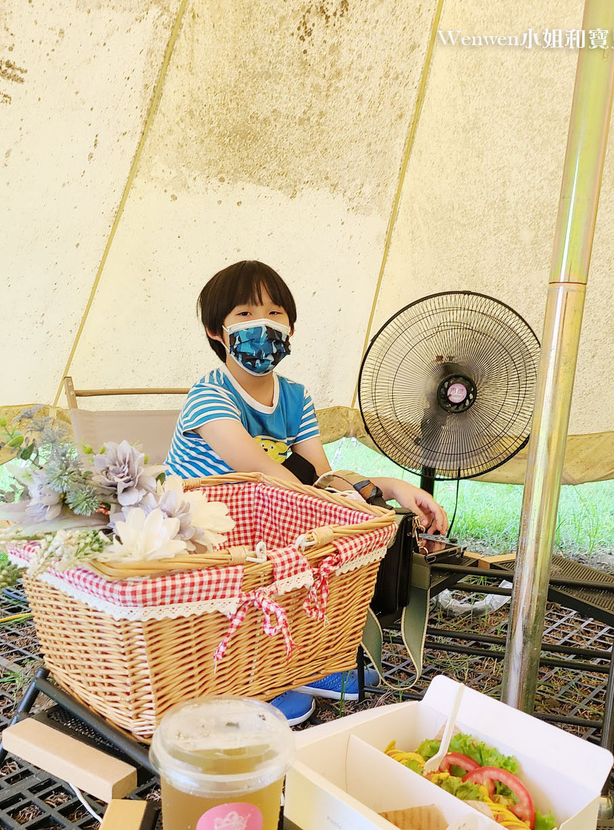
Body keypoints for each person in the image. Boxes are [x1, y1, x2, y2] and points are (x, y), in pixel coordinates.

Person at [166, 260, 449, 724]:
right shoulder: (209, 395)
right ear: (217, 331)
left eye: (275, 313)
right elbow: (264, 474)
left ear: (291, 325)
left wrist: (393, 488)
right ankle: (243, 680)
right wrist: (349, 500)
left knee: (314, 539)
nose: (263, 324)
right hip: (201, 541)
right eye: (244, 314)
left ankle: (301, 661)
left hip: (266, 530)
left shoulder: (295, 397)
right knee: (266, 561)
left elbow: (319, 481)